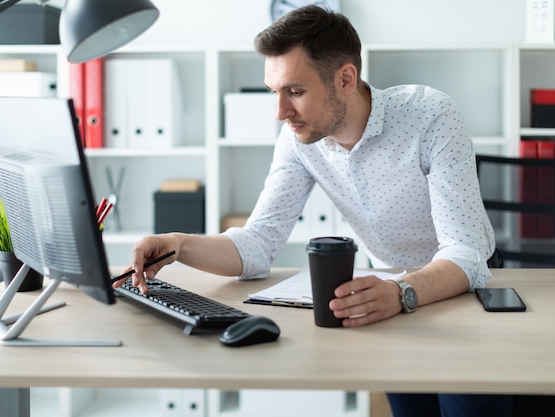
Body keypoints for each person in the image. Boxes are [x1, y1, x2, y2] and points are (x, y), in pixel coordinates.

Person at [115, 5, 510, 416]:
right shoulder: (298, 140)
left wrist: (401, 292)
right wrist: (178, 245)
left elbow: (465, 251)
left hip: (464, 287)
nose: (280, 112)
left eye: (295, 92)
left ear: (345, 79)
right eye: (275, 92)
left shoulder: (430, 116)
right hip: (387, 289)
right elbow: (257, 244)